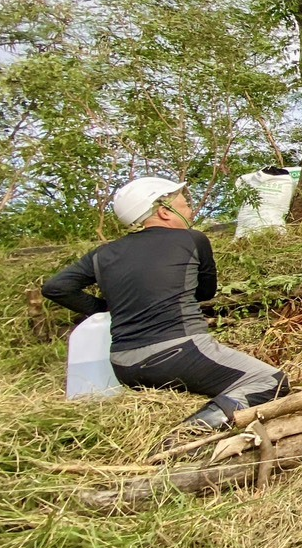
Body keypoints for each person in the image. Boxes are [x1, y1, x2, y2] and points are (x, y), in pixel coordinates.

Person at [41, 177, 289, 447]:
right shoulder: (192, 239)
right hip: (179, 353)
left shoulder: (102, 254)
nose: (190, 211)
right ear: (164, 211)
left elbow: (56, 287)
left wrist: (106, 308)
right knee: (271, 381)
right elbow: (205, 292)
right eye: (185, 205)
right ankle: (183, 438)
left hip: (125, 365)